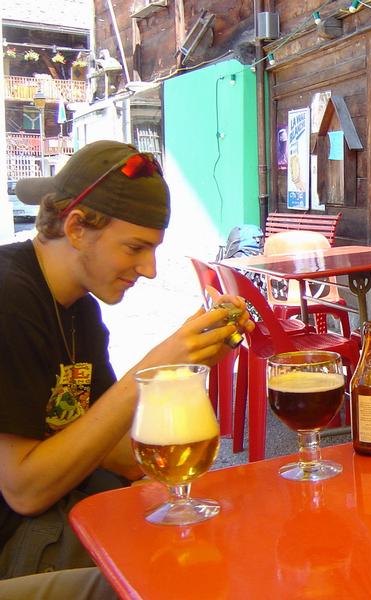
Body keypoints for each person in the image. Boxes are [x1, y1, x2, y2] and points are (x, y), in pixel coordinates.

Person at [0, 141, 254, 592]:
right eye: (135, 247)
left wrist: (184, 363)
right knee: (174, 574)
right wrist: (153, 368)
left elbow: (121, 457)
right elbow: (24, 491)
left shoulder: (80, 311)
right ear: (77, 227)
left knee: (221, 536)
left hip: (64, 510)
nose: (150, 269)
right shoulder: (9, 299)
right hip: (15, 543)